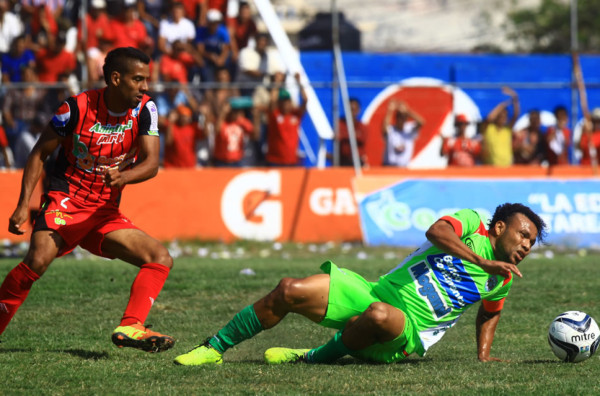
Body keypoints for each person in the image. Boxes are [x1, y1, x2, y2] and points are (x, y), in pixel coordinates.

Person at [173, 202, 547, 366]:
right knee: (289, 289)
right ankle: (213, 348)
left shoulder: (502, 279)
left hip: (406, 333)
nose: (526, 246)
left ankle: (311, 357)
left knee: (380, 316)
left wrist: (483, 354)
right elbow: (436, 231)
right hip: (375, 291)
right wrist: (481, 260)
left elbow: (490, 313)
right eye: (523, 235)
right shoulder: (472, 223)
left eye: (531, 242)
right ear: (499, 228)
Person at [1, 47, 175, 353]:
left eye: (146, 79)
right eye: (138, 79)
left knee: (159, 258)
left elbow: (151, 163)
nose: (145, 86)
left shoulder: (146, 109)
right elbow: (40, 153)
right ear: (116, 78)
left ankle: (132, 326)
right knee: (38, 260)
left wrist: (124, 177)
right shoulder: (76, 108)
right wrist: (21, 204)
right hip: (66, 199)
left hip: (104, 212)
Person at [264, 72, 307, 166]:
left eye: (287, 102)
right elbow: (272, 100)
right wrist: (277, 82)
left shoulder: (295, 115)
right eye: (283, 102)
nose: (286, 105)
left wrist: (299, 82)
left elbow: (305, 100)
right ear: (279, 103)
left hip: (291, 160)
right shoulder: (275, 115)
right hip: (275, 160)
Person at [481, 86, 520, 167]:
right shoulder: (489, 129)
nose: (503, 118)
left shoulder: (507, 129)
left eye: (505, 116)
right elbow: (489, 118)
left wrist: (514, 96)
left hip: (507, 167)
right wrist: (502, 105)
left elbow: (516, 115)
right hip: (491, 167)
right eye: (500, 116)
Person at [212, 98, 256, 166]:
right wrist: (223, 113)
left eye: (239, 111)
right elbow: (216, 131)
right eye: (235, 111)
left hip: (237, 161)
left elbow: (254, 135)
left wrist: (255, 116)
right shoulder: (222, 122)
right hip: (222, 161)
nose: (237, 114)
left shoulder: (242, 122)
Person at [382, 100, 425, 167]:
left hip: (403, 168)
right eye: (399, 117)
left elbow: (421, 122)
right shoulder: (391, 129)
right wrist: (390, 110)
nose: (401, 120)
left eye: (403, 117)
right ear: (396, 118)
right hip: (389, 167)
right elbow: (384, 127)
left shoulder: (409, 128)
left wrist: (407, 111)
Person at [338, 98, 368, 167]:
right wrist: (354, 135)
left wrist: (346, 135)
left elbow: (362, 138)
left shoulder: (362, 126)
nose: (352, 113)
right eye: (350, 110)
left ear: (358, 110)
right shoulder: (340, 123)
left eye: (353, 110)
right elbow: (338, 135)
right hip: (343, 161)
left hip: (358, 162)